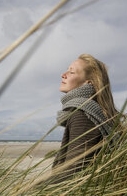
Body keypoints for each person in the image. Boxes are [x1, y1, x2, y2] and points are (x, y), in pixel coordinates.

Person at [51, 54, 120, 183]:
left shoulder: (82, 114)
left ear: (88, 82)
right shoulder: (91, 110)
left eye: (71, 72)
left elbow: (72, 173)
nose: (63, 74)